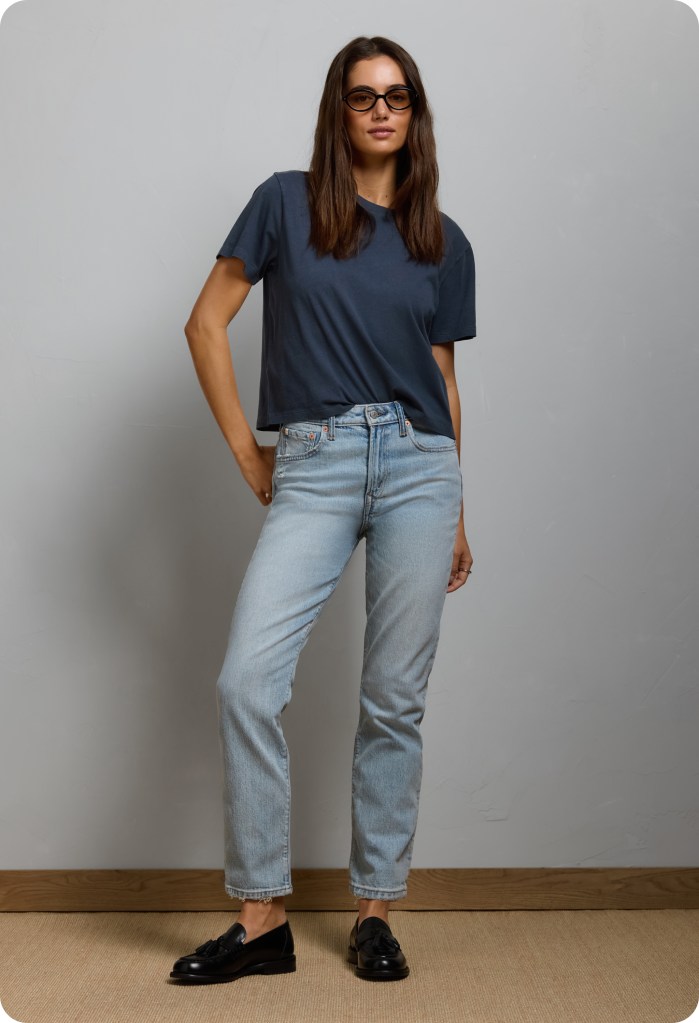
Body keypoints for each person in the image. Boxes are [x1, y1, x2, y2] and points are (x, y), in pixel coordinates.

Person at [170, 34, 476, 985]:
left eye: (397, 96)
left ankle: (376, 910)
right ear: (337, 111)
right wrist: (247, 451)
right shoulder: (283, 202)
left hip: (423, 469)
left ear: (414, 113)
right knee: (246, 679)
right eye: (361, 95)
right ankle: (261, 919)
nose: (381, 109)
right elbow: (204, 321)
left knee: (395, 697)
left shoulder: (441, 238)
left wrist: (460, 502)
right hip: (315, 457)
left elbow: (442, 376)